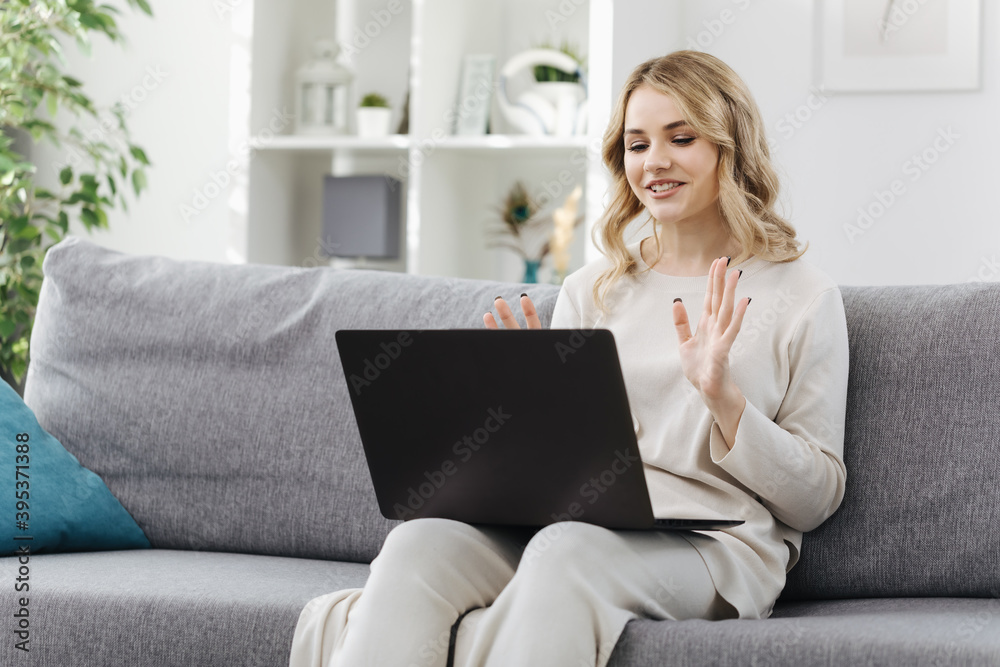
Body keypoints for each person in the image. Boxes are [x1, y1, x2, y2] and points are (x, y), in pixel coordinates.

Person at [289, 49, 849, 667]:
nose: (655, 161)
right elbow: (561, 465)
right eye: (637, 145)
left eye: (681, 138)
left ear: (729, 146)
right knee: (417, 543)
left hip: (712, 546)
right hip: (567, 525)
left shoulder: (801, 295)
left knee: (567, 552)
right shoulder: (594, 288)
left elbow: (816, 497)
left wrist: (724, 398)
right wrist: (521, 406)